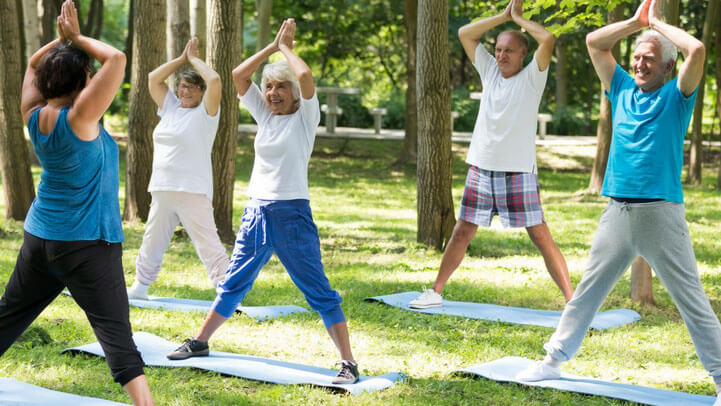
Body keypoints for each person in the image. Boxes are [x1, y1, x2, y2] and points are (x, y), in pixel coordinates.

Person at [516, 1, 721, 403]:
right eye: (637, 58)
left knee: (691, 300)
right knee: (589, 291)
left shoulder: (677, 97)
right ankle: (553, 359)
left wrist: (659, 24)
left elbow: (696, 51)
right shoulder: (622, 86)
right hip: (617, 213)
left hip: (661, 214)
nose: (641, 64)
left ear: (667, 68)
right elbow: (595, 43)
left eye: (650, 59)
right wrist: (635, 23)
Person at [165, 19, 360, 384]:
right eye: (269, 87)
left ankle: (348, 362)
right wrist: (272, 46)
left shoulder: (305, 117)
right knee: (234, 282)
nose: (272, 93)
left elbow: (305, 77)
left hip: (291, 215)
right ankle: (201, 341)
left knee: (318, 290)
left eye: (280, 87)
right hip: (257, 211)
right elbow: (239, 76)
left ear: (295, 94)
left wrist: (287, 48)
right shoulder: (265, 118)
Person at [0, 1, 153, 405]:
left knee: (7, 317)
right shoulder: (80, 118)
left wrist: (62, 41)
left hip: (40, 239)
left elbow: (34, 67)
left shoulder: (33, 113)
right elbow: (117, 59)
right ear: (81, 83)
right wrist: (76, 38)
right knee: (116, 334)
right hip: (87, 245)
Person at [409, 0, 574, 309]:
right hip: (481, 167)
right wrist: (502, 16)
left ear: (523, 54)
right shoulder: (490, 73)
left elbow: (548, 39)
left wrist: (520, 19)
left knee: (540, 235)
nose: (501, 55)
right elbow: (465, 34)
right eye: (498, 49)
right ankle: (435, 292)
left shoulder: (532, 78)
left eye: (508, 50)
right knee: (462, 232)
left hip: (518, 170)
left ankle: (572, 300)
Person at [126, 37, 228, 301]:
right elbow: (152, 79)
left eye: (194, 87)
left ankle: (227, 291)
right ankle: (140, 287)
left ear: (202, 92)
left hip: (192, 189)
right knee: (152, 240)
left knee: (207, 243)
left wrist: (195, 60)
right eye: (183, 86)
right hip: (162, 187)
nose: (186, 91)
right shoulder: (170, 107)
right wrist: (182, 59)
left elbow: (215, 81)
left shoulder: (207, 114)